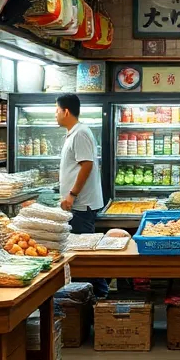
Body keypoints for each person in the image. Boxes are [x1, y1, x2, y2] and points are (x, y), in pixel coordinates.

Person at [56, 93, 109, 297]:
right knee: (83, 252)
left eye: (57, 110)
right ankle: (91, 296)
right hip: (76, 204)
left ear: (66, 111)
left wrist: (72, 194)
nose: (55, 114)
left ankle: (100, 295)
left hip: (81, 205)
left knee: (86, 254)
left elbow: (87, 165)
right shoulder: (73, 133)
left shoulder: (80, 133)